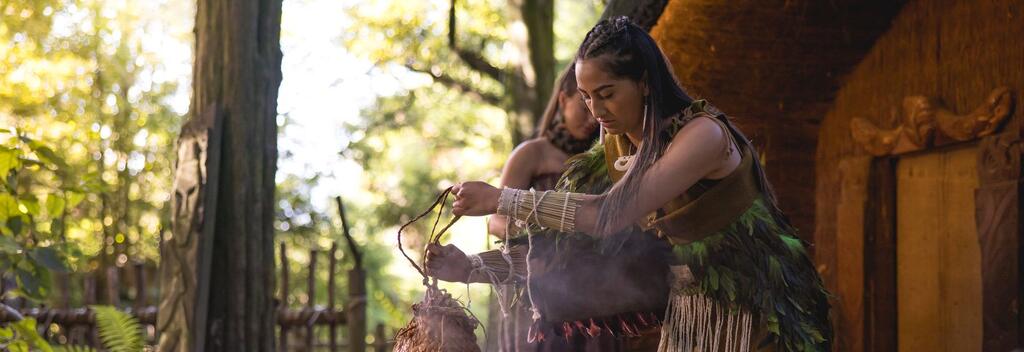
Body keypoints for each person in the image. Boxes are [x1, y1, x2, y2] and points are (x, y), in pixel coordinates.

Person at [428, 17, 832, 352]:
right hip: (688, 321)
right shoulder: (618, 146)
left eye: (606, 94)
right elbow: (572, 251)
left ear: (644, 82)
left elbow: (605, 214)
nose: (596, 111)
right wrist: (473, 268)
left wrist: (504, 199)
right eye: (586, 97)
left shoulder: (703, 136)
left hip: (756, 319)